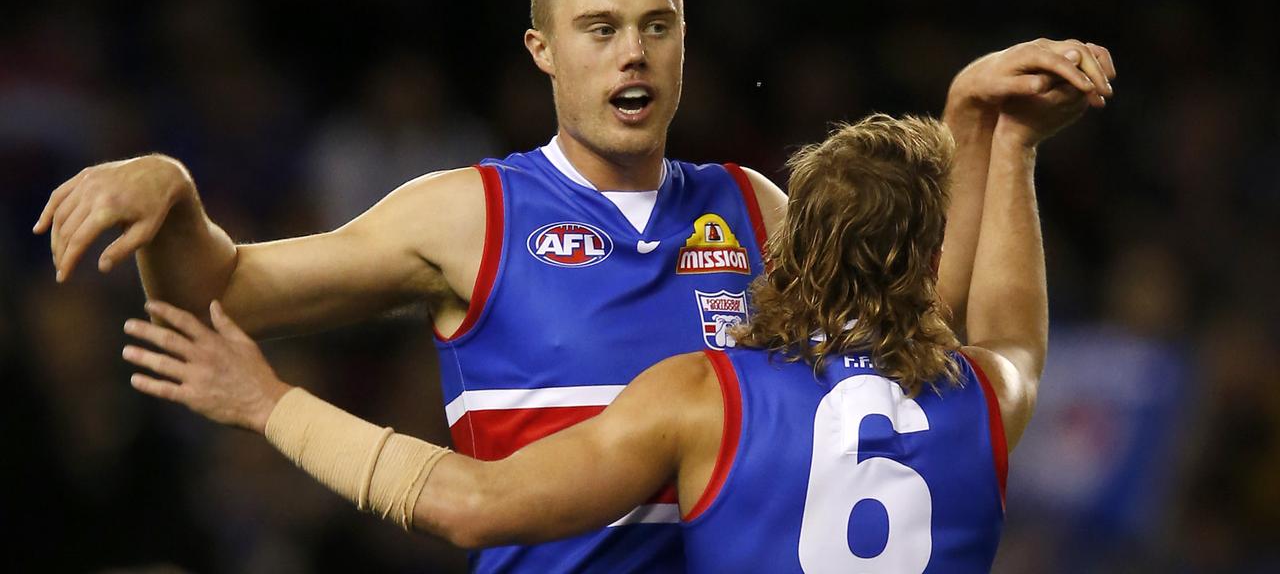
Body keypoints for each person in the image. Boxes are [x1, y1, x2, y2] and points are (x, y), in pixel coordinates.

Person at [34, 0, 1114, 573]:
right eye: (598, 30)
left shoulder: (751, 207)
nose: (631, 56)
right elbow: (215, 295)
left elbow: (913, 353)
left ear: (686, 39)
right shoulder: (468, 215)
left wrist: (980, 137)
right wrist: (174, 195)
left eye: (656, 25)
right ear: (542, 50)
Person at [122, 95, 1091, 573]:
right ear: (931, 269)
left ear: (791, 250)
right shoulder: (989, 395)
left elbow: (467, 502)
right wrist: (1004, 145)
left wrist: (267, 404)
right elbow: (1009, 326)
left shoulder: (707, 395)